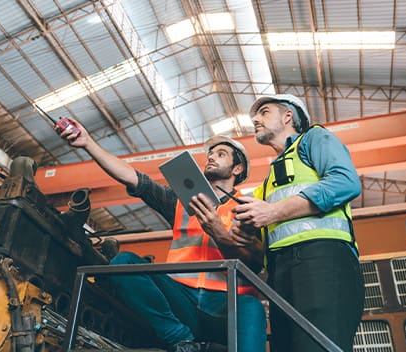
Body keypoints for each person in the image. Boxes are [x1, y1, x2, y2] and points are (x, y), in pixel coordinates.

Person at [59, 121, 266, 352]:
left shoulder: (248, 208)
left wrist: (218, 232)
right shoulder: (178, 201)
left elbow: (255, 263)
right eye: (210, 154)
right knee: (123, 263)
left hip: (224, 305)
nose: (211, 157)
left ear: (237, 169)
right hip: (180, 298)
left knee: (252, 307)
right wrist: (87, 142)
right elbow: (133, 178)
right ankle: (182, 341)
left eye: (221, 154)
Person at [230, 94, 365, 352]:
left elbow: (345, 182)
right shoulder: (269, 179)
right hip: (281, 272)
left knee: (316, 345)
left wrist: (274, 212)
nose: (255, 120)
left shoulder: (314, 138)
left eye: (264, 112)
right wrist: (245, 228)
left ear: (288, 116)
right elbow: (259, 218)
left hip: (322, 259)